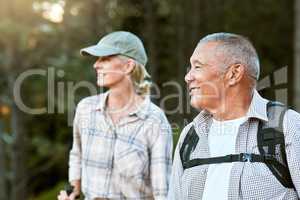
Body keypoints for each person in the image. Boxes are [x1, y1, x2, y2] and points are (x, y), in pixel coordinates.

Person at [168, 32, 300, 200]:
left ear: (234, 73)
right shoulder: (190, 136)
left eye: (198, 66)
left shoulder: (287, 126)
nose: (188, 77)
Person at [57, 31, 173, 200]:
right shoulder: (86, 109)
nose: (96, 65)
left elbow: (162, 192)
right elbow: (77, 154)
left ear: (128, 66)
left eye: (105, 59)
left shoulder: (155, 121)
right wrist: (73, 192)